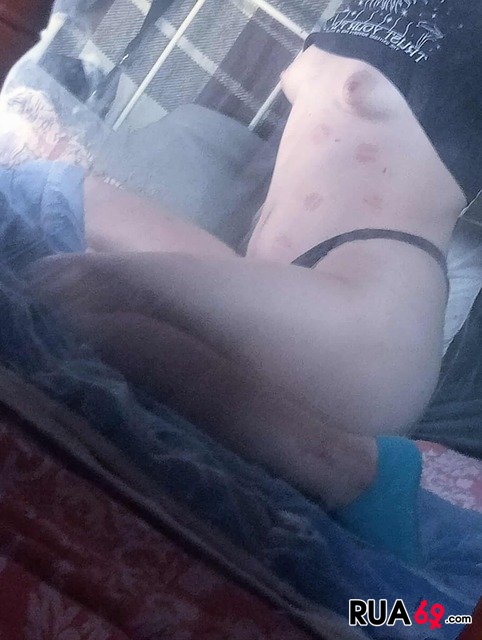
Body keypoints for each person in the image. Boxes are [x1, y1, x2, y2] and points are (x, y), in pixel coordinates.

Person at [26, 0, 482, 562]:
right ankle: (346, 468)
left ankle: (352, 472)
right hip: (286, 288)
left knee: (73, 287)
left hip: (372, 312)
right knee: (59, 201)